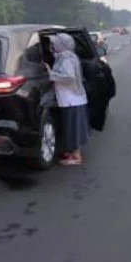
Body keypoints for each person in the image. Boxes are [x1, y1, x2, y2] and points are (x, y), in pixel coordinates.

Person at [45, 33, 90, 166]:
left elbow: (69, 77)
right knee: (71, 127)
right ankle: (72, 153)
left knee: (73, 128)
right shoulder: (67, 56)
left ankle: (76, 157)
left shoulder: (66, 59)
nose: (52, 46)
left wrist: (51, 74)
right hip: (71, 98)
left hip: (72, 99)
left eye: (55, 43)